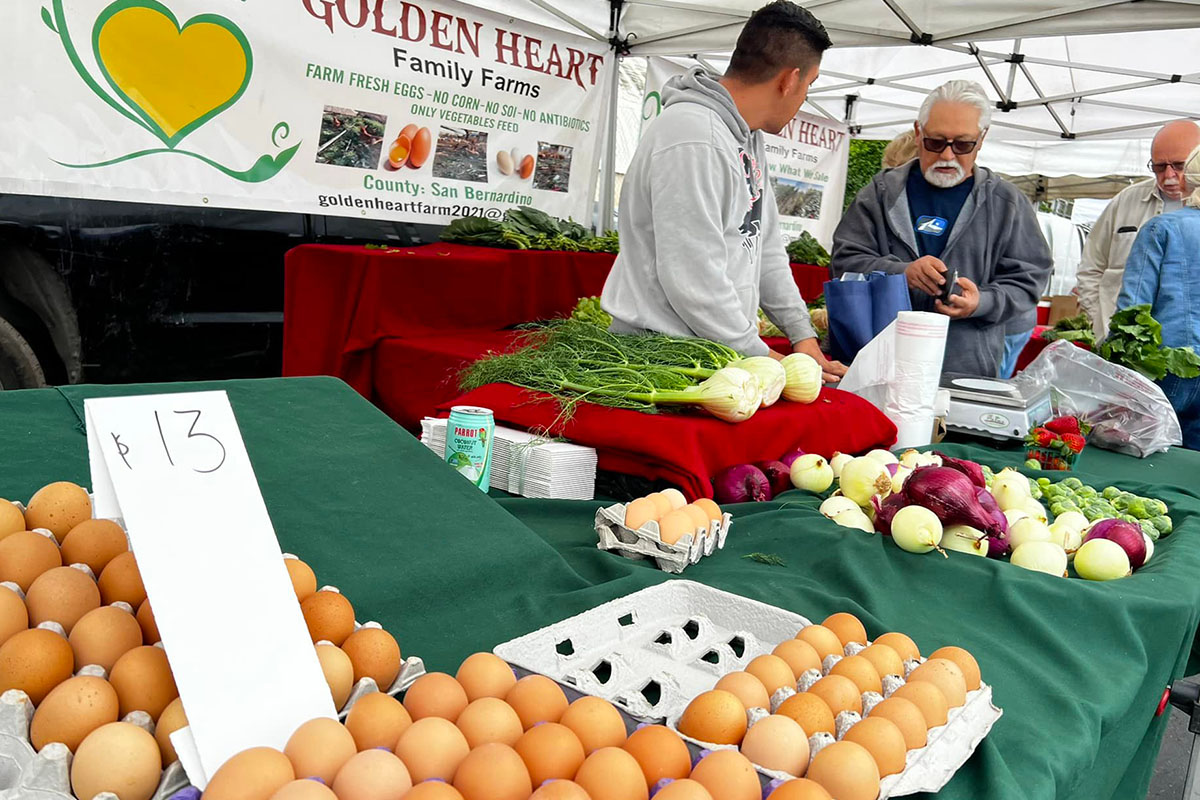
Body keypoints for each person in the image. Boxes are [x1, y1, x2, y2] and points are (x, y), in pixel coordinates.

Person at [601, 1, 845, 383]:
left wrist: (802, 336)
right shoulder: (694, 137)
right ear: (789, 79)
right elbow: (693, 278)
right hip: (665, 363)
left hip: (716, 357)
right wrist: (763, 356)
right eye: (809, 86)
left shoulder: (748, 136)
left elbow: (764, 247)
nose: (803, 100)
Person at [830, 80, 1052, 378]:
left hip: (962, 369)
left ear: (982, 138)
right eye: (936, 142)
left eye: (962, 145)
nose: (947, 156)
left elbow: (1030, 279)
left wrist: (981, 302)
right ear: (918, 132)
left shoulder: (1006, 204)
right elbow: (844, 262)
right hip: (877, 363)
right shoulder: (881, 193)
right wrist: (902, 273)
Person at [1076, 120, 1200, 341]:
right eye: (1159, 167)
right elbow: (1091, 267)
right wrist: (1099, 323)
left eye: (1179, 166)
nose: (1169, 175)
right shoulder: (1126, 200)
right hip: (1118, 342)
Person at [1116, 144, 1200, 449]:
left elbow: (1132, 313)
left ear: (1190, 179)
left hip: (1171, 370)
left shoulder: (1160, 229)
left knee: (1145, 459)